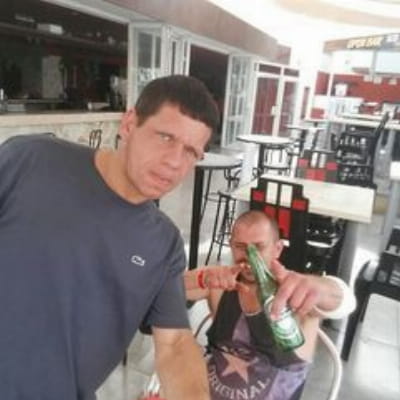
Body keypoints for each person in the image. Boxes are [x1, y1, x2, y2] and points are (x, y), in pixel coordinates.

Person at [0, 75, 220, 400]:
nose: (175, 162)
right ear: (129, 124)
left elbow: (174, 344)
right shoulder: (31, 160)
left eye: (191, 152)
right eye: (165, 137)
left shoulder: (164, 245)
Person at [184, 210, 356, 400]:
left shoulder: (296, 294)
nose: (250, 255)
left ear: (277, 249)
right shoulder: (219, 284)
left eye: (259, 247)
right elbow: (165, 290)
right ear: (231, 246)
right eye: (240, 246)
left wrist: (320, 287)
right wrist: (200, 278)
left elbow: (345, 302)